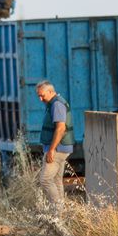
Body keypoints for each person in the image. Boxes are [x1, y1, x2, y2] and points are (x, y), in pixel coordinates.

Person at [36, 80, 73, 214]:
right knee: (57, 180)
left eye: (42, 95)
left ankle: (56, 212)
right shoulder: (54, 102)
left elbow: (60, 128)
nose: (40, 99)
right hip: (61, 148)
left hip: (58, 149)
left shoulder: (57, 104)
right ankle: (61, 214)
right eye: (38, 96)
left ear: (50, 92)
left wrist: (51, 149)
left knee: (45, 180)